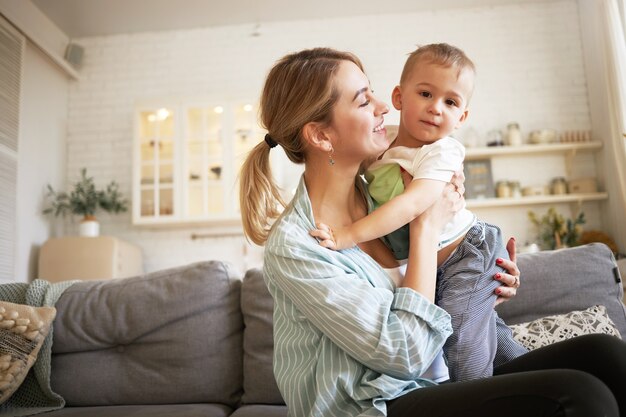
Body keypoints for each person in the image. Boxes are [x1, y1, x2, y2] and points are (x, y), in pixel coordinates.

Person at [239, 47, 626, 417]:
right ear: (321, 136)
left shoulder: (381, 193)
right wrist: (427, 224)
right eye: (363, 101)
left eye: (374, 92)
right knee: (579, 396)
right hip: (377, 405)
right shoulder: (297, 246)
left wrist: (479, 284)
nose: (384, 106)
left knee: (605, 354)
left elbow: (427, 284)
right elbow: (405, 353)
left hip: (435, 380)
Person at [309, 43, 527, 382]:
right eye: (425, 93)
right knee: (495, 345)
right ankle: (534, 381)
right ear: (399, 97)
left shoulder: (442, 151)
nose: (436, 108)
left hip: (467, 252)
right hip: (438, 268)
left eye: (450, 102)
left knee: (463, 338)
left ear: (462, 117)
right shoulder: (384, 149)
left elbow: (415, 205)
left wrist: (348, 235)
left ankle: (477, 400)